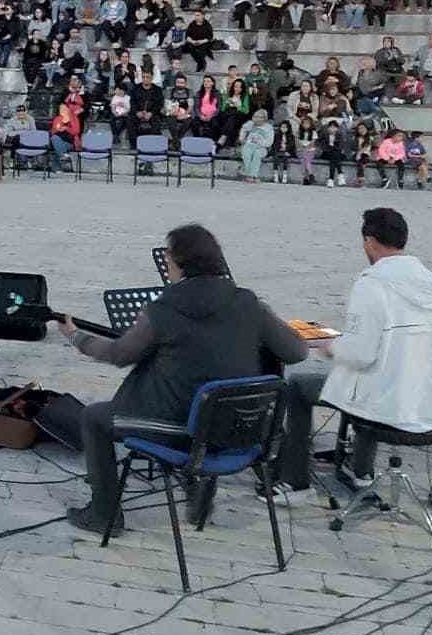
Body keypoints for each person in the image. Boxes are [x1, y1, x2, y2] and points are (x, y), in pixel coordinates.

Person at [60, 223, 307, 533]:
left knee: (94, 417)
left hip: (179, 430)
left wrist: (76, 338)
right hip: (238, 428)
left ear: (178, 264)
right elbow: (297, 352)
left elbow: (120, 354)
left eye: (169, 260)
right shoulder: (247, 302)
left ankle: (103, 514)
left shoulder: (163, 310)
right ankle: (196, 482)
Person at [275, 208, 432, 493]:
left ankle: (295, 480)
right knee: (375, 376)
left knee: (300, 387)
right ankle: (359, 469)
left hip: (389, 406)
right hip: (430, 405)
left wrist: (330, 347)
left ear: (369, 241)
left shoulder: (372, 284)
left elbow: (361, 354)